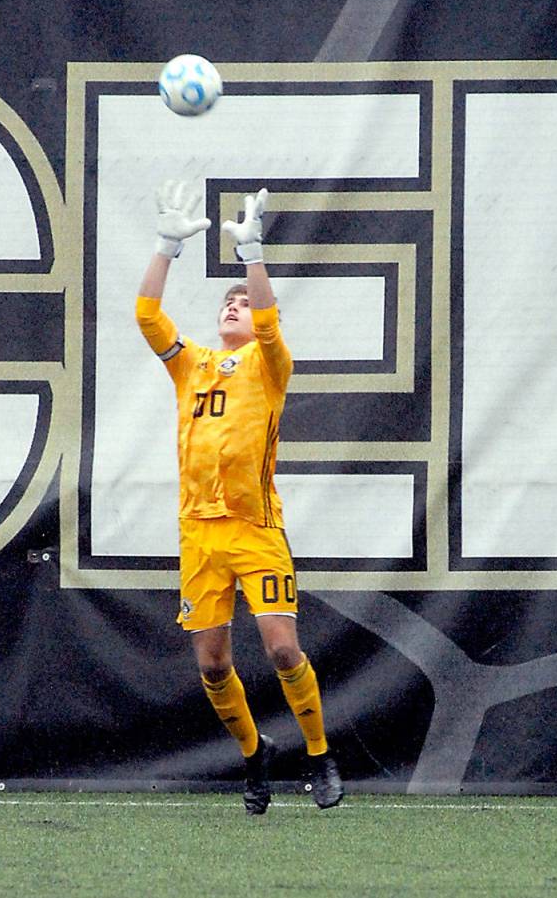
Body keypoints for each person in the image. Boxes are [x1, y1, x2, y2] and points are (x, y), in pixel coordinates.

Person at [135, 180, 344, 815]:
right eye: (225, 301)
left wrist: (252, 254)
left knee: (283, 647)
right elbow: (147, 317)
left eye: (241, 303)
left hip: (254, 528)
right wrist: (166, 247)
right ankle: (256, 757)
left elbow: (270, 323)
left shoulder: (268, 365)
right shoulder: (191, 364)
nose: (233, 307)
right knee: (212, 665)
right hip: (199, 532)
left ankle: (319, 756)